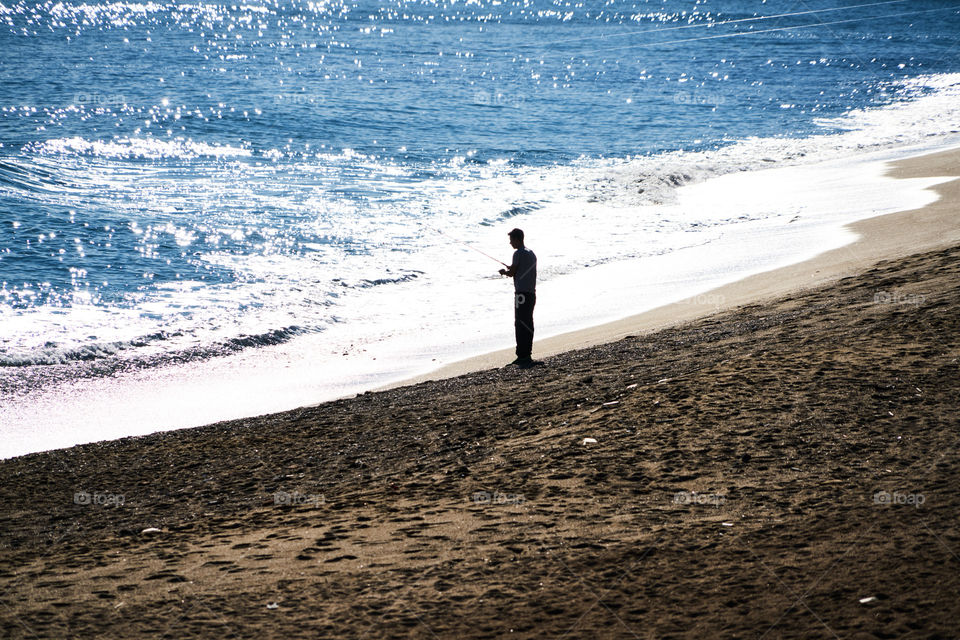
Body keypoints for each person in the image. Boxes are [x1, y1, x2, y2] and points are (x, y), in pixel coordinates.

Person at [498, 228, 537, 367]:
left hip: (521, 294)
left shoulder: (518, 253)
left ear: (517, 239)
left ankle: (522, 356)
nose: (510, 243)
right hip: (531, 294)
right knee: (528, 323)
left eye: (511, 240)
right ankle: (527, 354)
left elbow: (512, 272)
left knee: (520, 323)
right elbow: (521, 270)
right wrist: (512, 269)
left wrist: (505, 272)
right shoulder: (531, 253)